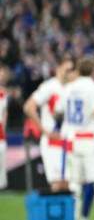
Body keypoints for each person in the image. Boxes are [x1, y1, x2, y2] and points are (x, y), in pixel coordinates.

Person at [55, 56, 94, 220]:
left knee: (75, 186)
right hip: (90, 139)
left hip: (72, 140)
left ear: (78, 70)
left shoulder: (68, 87)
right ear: (93, 71)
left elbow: (58, 110)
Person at [23, 57, 75, 189]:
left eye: (72, 70)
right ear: (58, 68)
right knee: (57, 184)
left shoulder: (72, 88)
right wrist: (44, 131)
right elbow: (29, 107)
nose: (70, 73)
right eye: (67, 69)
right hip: (52, 142)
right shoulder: (49, 86)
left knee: (71, 185)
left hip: (68, 141)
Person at [0, 67, 9, 190]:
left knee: (1, 158)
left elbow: (5, 112)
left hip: (0, 130)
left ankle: (1, 185)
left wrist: (4, 128)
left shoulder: (3, 93)